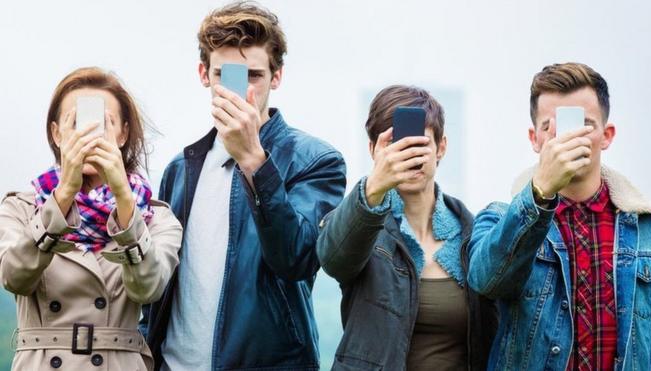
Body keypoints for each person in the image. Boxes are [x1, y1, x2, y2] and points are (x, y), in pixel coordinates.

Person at [140, 2, 347, 370]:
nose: (241, 89)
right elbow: (157, 280)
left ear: (276, 76)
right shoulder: (178, 170)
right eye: (226, 74)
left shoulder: (317, 161)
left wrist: (254, 160)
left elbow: (296, 259)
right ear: (204, 74)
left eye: (253, 75)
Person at [467, 62, 651, 370]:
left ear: (607, 135)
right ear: (534, 139)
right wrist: (540, 192)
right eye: (550, 128)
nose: (566, 139)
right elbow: (486, 282)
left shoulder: (649, 228)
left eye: (583, 124)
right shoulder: (499, 218)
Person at [0, 67, 182, 371]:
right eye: (76, 124)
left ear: (122, 134)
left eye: (101, 124)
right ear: (57, 134)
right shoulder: (21, 207)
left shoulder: (153, 216)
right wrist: (64, 195)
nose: (87, 135)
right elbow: (14, 276)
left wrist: (124, 199)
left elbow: (148, 289)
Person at [317, 85, 497, 371]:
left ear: (442, 147)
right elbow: (334, 260)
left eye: (419, 145)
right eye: (396, 145)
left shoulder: (471, 232)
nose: (408, 156)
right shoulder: (359, 224)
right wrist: (375, 186)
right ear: (373, 150)